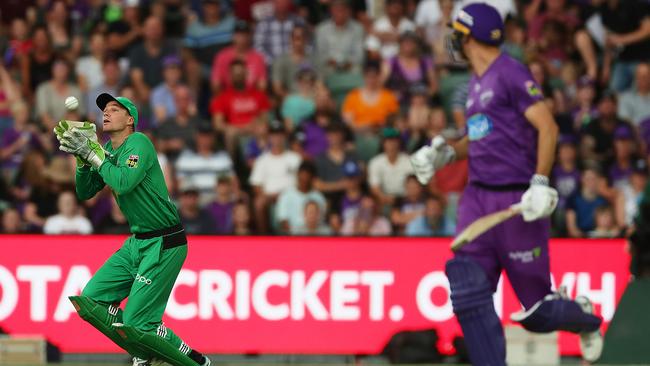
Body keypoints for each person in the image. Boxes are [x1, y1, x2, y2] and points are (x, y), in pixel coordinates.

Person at [409, 4, 602, 364]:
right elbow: (480, 135)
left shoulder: (510, 74)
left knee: (538, 314)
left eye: (457, 32)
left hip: (517, 201)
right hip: (478, 197)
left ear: (469, 37)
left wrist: (541, 182)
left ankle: (586, 318)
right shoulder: (476, 84)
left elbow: (548, 126)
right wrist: (446, 154)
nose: (452, 40)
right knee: (466, 287)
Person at [55, 92, 211, 366]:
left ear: (130, 120)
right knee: (90, 302)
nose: (106, 112)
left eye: (114, 109)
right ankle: (146, 350)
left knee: (136, 322)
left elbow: (124, 182)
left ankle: (191, 364)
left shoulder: (139, 142)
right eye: (104, 109)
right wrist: (83, 159)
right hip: (137, 242)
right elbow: (85, 192)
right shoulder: (109, 152)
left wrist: (93, 154)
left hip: (165, 241)